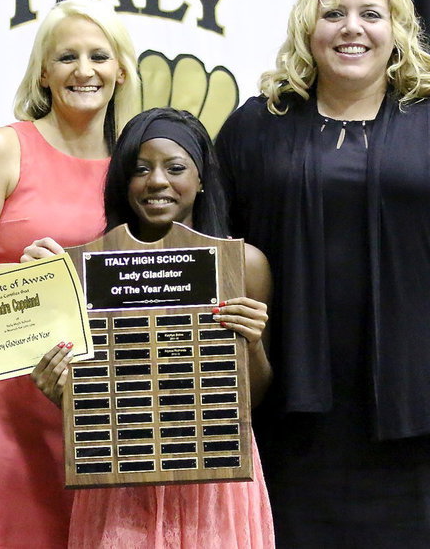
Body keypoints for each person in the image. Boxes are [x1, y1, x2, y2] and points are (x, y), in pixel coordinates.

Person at [214, 0, 430, 547]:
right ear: (308, 29)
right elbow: (210, 254)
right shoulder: (255, 126)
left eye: (370, 13)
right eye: (334, 13)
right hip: (292, 423)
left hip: (424, 418)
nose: (352, 28)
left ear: (397, 28)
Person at [0, 0, 140, 549]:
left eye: (99, 55)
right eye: (66, 56)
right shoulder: (1, 147)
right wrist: (33, 285)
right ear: (43, 71)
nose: (83, 70)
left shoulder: (137, 166)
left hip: (94, 405)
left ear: (122, 69)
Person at [27, 107, 275, 548]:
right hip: (121, 479)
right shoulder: (85, 272)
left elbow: (252, 401)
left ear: (201, 178)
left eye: (175, 167)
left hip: (215, 482)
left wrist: (251, 345)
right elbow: (84, 396)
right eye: (140, 169)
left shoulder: (244, 265)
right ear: (124, 182)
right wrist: (60, 388)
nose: (157, 181)